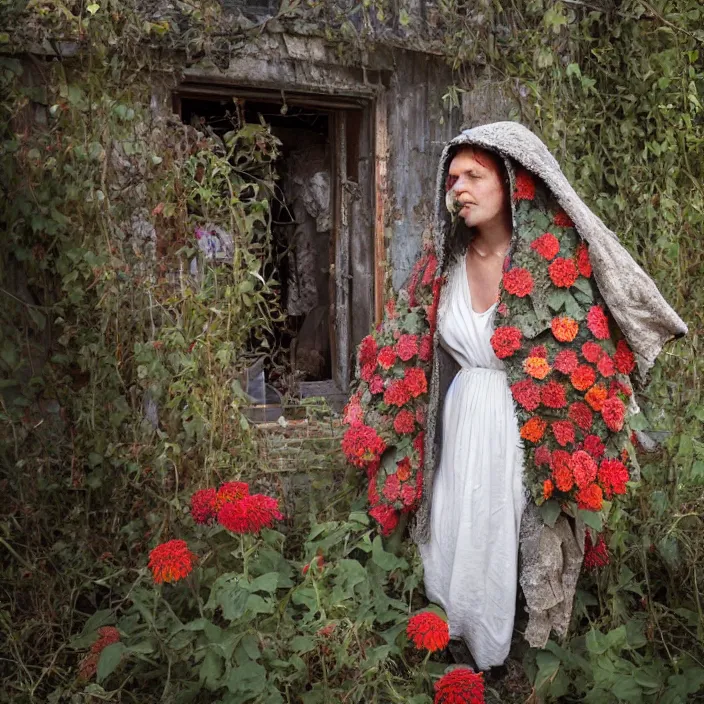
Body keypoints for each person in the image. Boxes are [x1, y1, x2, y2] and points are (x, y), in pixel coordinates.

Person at [342, 122, 687, 671]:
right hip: (461, 418)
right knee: (457, 524)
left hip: (520, 423)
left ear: (512, 182)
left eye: (475, 175)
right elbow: (409, 342)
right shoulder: (445, 265)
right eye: (453, 177)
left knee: (505, 530)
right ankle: (451, 640)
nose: (459, 188)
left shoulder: (556, 269)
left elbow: (590, 355)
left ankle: (509, 656)